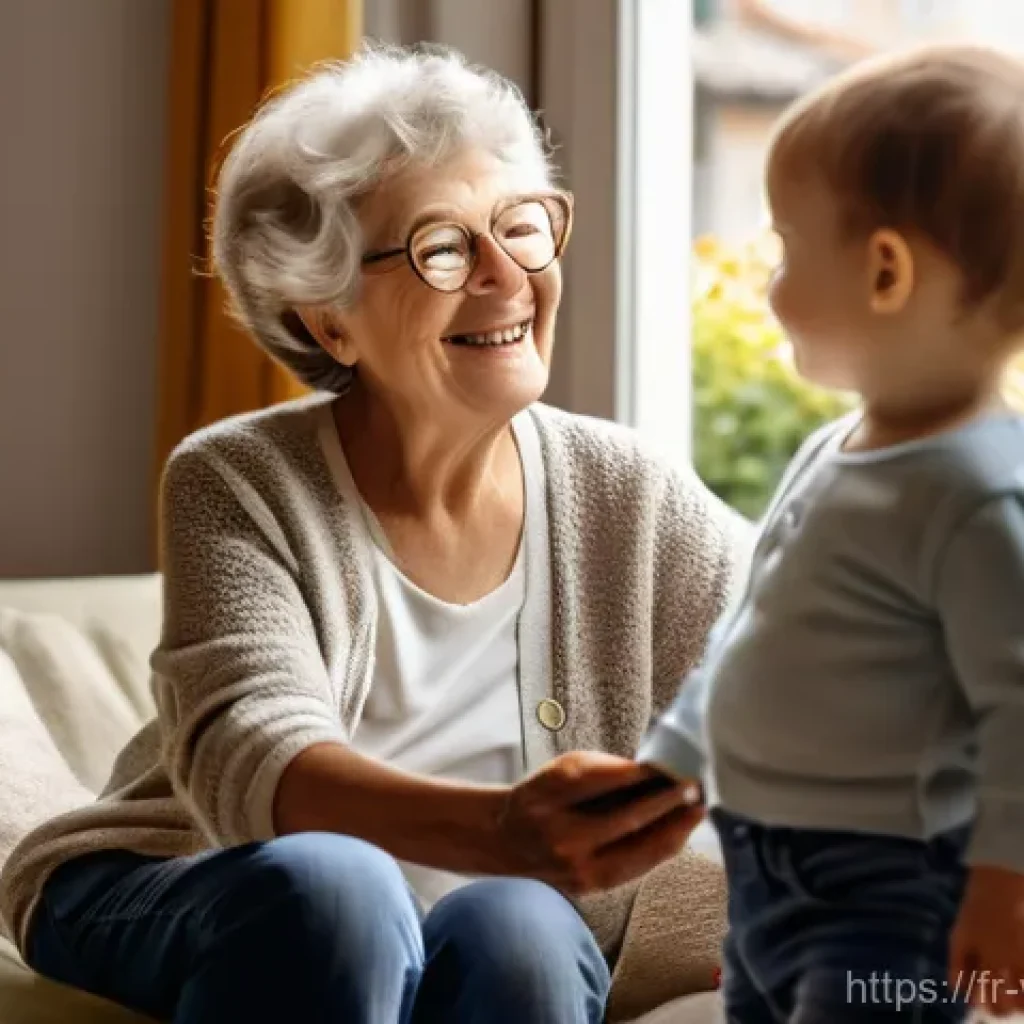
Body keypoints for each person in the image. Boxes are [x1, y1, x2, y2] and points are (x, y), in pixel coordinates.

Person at [0, 45, 746, 1024]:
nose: (505, 274)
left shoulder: (628, 491)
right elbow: (252, 752)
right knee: (339, 890)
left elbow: (805, 669)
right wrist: (505, 828)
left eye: (521, 226)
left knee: (524, 927)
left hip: (484, 914)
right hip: (194, 875)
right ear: (330, 319)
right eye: (442, 247)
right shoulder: (238, 477)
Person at [642, 42, 1024, 1024]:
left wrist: (1002, 882)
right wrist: (670, 759)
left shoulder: (979, 495)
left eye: (782, 247)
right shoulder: (832, 446)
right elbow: (748, 626)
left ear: (884, 270)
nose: (766, 280)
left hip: (893, 897)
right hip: (762, 868)